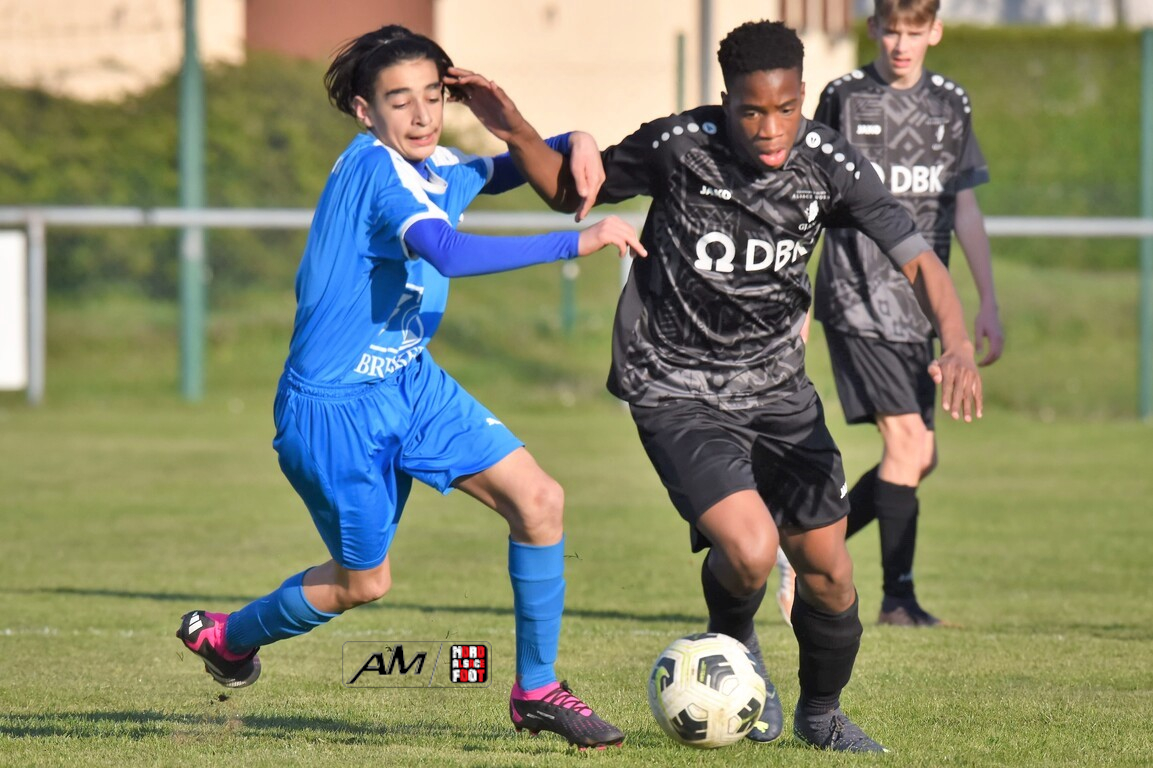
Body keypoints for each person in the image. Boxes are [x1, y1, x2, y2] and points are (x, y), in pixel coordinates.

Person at [174, 24, 646, 751]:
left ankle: (536, 690)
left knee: (540, 500)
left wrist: (572, 137)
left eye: (432, 96)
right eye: (400, 101)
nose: (422, 115)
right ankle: (228, 638)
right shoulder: (375, 170)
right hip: (333, 414)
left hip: (411, 382)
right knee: (362, 584)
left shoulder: (435, 166)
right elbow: (446, 253)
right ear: (366, 112)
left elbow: (505, 170)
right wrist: (576, 241)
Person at [520, 19, 983, 752]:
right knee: (751, 548)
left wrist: (954, 341)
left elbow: (918, 258)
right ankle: (735, 648)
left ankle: (821, 715)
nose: (770, 129)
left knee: (829, 574)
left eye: (786, 108)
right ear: (726, 100)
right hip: (675, 386)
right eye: (751, 110)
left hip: (777, 392)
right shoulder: (679, 147)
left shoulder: (829, 162)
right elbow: (563, 188)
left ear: (802, 97)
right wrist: (513, 124)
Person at [797, 0, 1004, 629]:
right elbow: (805, 200)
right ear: (873, 30)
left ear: (935, 31)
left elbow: (963, 207)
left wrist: (986, 301)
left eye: (914, 31)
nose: (901, 44)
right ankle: (897, 599)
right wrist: (795, 297)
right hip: (857, 296)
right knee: (908, 444)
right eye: (891, 30)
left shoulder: (951, 103)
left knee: (920, 457)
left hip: (922, 310)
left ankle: (797, 541)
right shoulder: (843, 98)